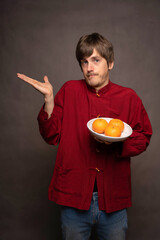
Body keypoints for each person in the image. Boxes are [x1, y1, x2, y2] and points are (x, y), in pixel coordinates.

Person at [17, 33, 152, 240]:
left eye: (96, 60)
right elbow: (51, 135)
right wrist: (49, 100)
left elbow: (144, 136)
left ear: (111, 63)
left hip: (114, 201)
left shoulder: (129, 97)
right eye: (84, 62)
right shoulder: (69, 90)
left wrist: (117, 144)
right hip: (73, 199)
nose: (89, 68)